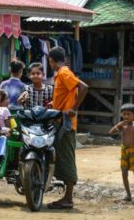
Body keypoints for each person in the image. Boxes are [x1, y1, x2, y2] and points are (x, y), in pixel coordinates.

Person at [47, 46, 88, 210]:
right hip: (59, 120)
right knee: (61, 157)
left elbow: (84, 87)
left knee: (66, 158)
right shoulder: (61, 74)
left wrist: (74, 109)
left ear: (51, 60)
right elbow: (66, 95)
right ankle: (66, 196)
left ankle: (68, 198)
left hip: (66, 123)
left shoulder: (64, 73)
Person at [109, 103, 134, 202]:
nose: (126, 116)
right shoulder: (122, 125)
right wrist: (119, 125)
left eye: (128, 114)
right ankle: (128, 195)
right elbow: (111, 132)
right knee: (124, 173)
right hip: (124, 151)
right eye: (124, 114)